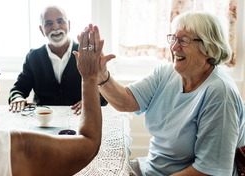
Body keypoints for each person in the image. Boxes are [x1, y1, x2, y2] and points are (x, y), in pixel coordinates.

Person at [84, 11, 245, 176]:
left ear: (209, 49)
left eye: (183, 41)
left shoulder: (220, 94)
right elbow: (126, 101)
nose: (174, 47)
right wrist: (101, 75)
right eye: (174, 39)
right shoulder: (166, 72)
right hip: (151, 169)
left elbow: (210, 172)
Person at [0, 25, 104, 175]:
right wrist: (89, 77)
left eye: (60, 21)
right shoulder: (1, 147)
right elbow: (89, 144)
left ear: (68, 24)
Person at [8, 6, 108, 114]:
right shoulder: (33, 57)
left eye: (60, 21)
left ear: (69, 25)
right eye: (49, 23)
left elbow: (104, 91)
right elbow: (18, 89)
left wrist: (91, 101)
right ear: (41, 30)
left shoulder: (86, 53)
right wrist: (17, 98)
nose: (55, 27)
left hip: (79, 118)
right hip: (43, 121)